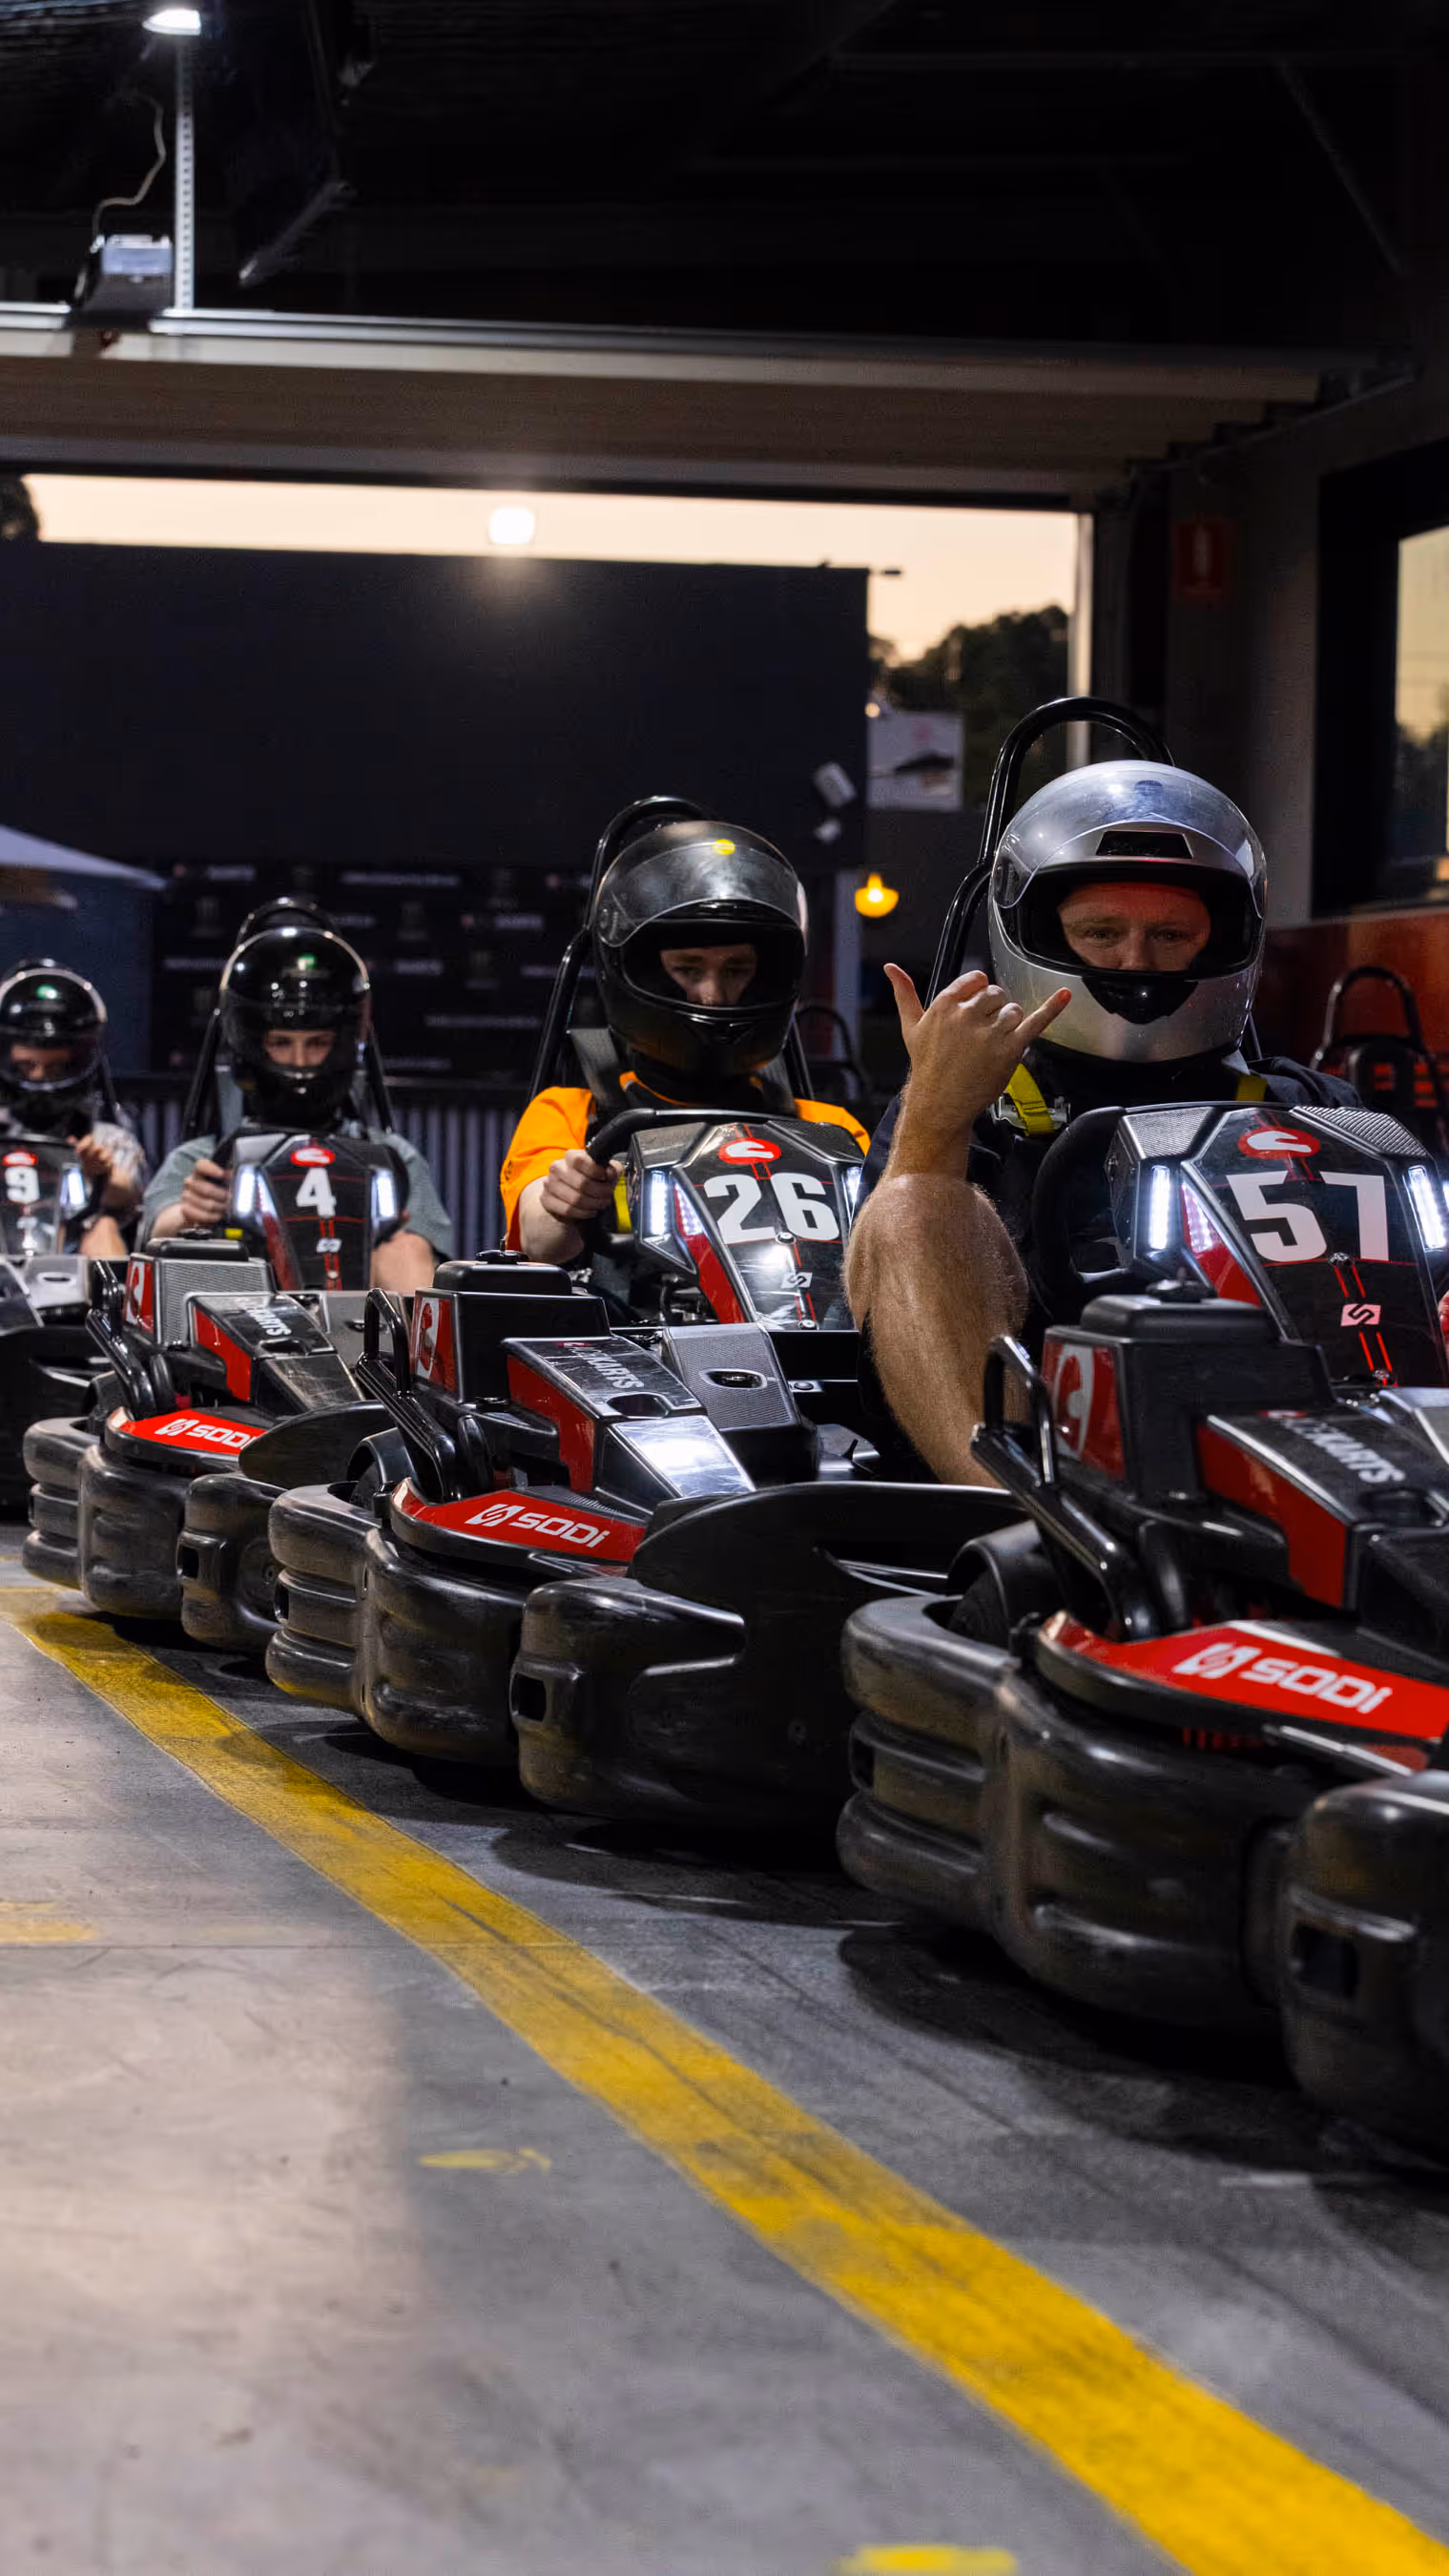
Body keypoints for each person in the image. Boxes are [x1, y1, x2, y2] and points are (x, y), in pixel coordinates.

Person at [845, 758, 1356, 1485]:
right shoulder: (967, 1110)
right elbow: (874, 1303)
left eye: (1171, 936)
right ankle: (1016, 1515)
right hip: (1050, 1467)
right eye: (1100, 932)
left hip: (1313, 1457)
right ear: (1041, 932)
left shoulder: (1314, 1107)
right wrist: (933, 1118)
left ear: (1223, 941)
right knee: (905, 1208)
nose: (1136, 962)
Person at [501, 814, 869, 1261]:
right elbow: (539, 1238)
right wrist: (567, 1201)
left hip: (787, 1330)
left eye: (737, 970)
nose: (712, 996)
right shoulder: (569, 1115)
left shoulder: (829, 1132)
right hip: (625, 1328)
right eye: (688, 969)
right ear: (647, 970)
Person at [142, 921, 450, 1291]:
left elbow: (426, 1258)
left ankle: (419, 1349)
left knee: (405, 1245)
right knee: (204, 1245)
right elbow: (155, 1231)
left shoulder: (391, 1159)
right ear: (252, 1044)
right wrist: (188, 1216)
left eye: (317, 1042)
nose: (301, 1062)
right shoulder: (203, 1162)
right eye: (282, 1042)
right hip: (241, 1324)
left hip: (358, 1326)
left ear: (344, 1044)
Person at [0, 960, 145, 1259]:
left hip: (69, 1260)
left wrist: (100, 1175)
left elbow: (128, 1194)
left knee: (103, 1225)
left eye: (53, 1069)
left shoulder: (107, 1138)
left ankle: (114, 1306)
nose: (39, 1078)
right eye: (27, 1067)